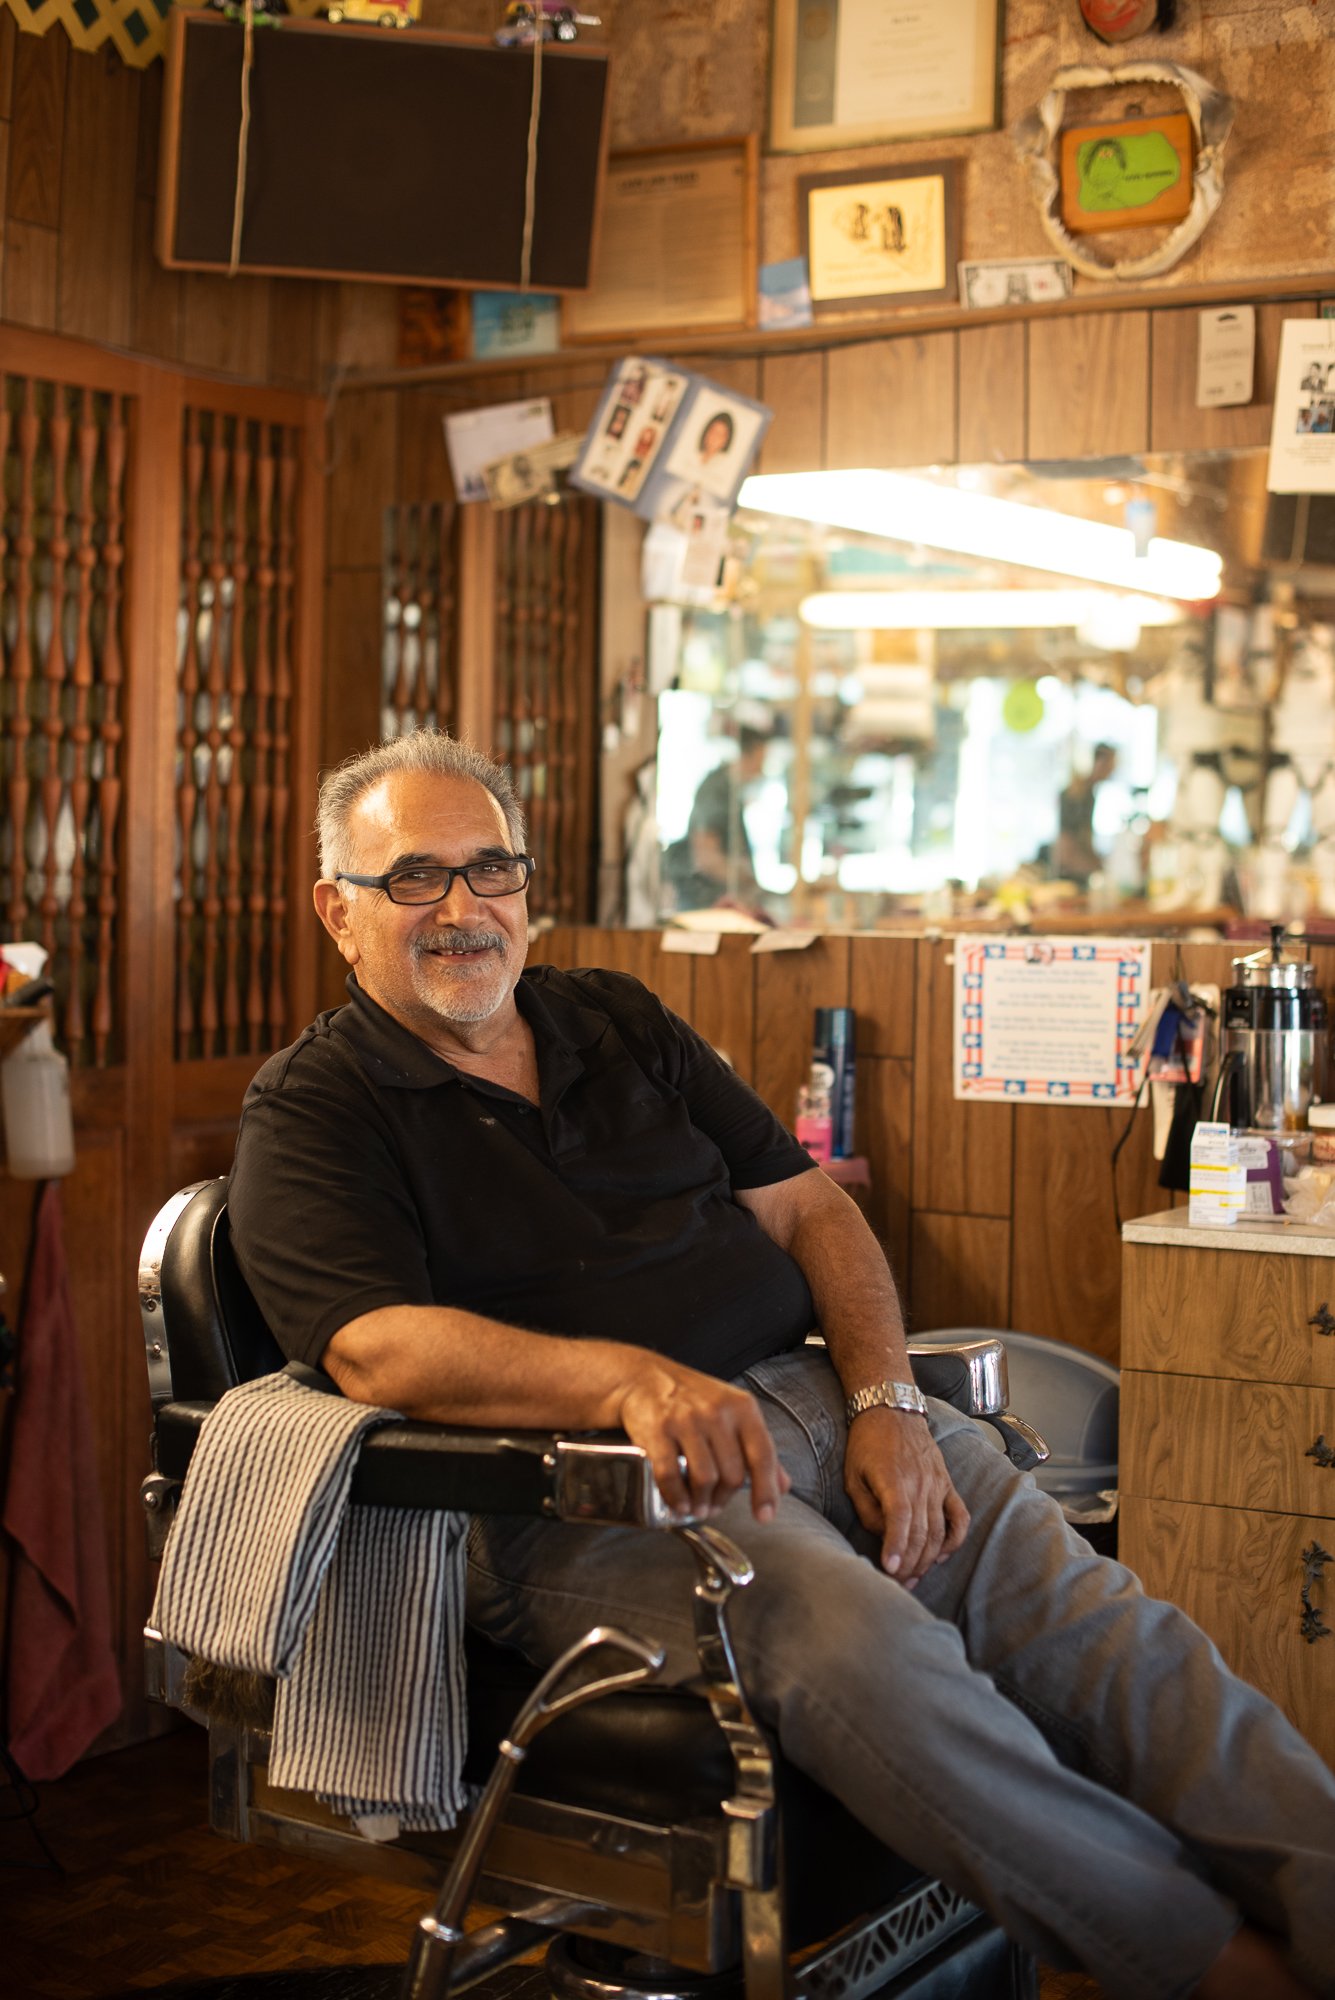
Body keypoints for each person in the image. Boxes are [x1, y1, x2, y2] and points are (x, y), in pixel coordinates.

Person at [228, 730, 1335, 2000]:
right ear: (339, 910)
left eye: (493, 870)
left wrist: (888, 1402)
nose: (467, 909)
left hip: (817, 1405)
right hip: (595, 1484)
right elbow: (374, 1343)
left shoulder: (613, 1019)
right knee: (870, 1644)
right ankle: (1217, 1965)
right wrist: (626, 1382)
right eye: (417, 877)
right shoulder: (314, 1106)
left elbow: (813, 1210)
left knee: (1117, 1636)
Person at [660, 723, 770, 913]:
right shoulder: (716, 790)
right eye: (761, 760)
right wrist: (747, 881)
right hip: (705, 905)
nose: (761, 770)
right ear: (749, 754)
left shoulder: (731, 792)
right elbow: (706, 858)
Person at [1053, 740, 1117, 886]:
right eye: (1111, 764)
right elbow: (1079, 835)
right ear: (1098, 762)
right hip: (1073, 867)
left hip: (1068, 865)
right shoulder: (1081, 794)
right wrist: (1097, 863)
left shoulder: (1079, 790)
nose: (1113, 769)